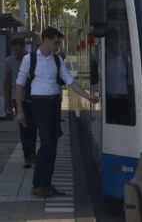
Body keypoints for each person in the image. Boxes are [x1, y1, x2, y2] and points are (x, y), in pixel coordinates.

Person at [15, 27, 99, 198]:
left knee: (52, 144)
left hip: (54, 104)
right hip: (39, 104)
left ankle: (46, 184)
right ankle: (38, 185)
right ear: (45, 40)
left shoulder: (57, 60)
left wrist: (88, 97)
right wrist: (19, 110)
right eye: (55, 42)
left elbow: (69, 80)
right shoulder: (29, 59)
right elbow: (20, 84)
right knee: (46, 143)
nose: (58, 46)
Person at [4, 37, 36, 168]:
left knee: (33, 128)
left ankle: (32, 153)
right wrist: (6, 102)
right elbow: (6, 82)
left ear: (25, 48)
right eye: (14, 50)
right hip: (17, 99)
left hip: (32, 98)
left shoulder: (31, 60)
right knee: (24, 128)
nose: (16, 52)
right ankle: (27, 156)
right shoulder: (9, 61)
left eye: (19, 50)